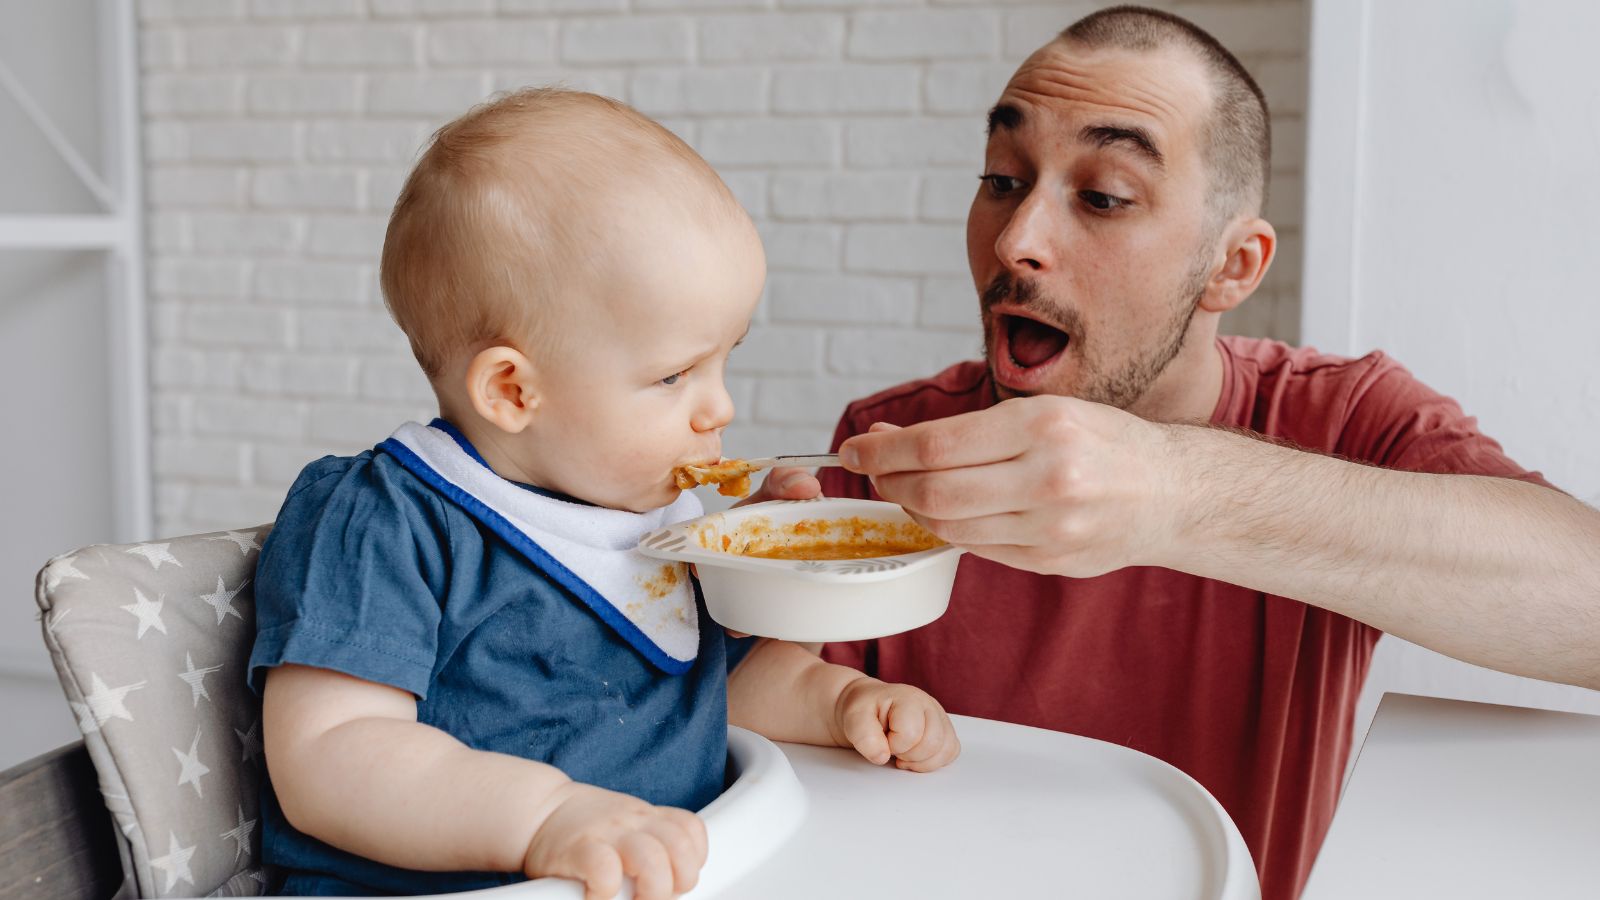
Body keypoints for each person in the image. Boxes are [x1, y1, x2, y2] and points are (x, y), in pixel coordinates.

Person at [749, 6, 1600, 900]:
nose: (1015, 242)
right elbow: (775, 734)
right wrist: (737, 604)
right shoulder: (889, 443)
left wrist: (1176, 493)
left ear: (1233, 265)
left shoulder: (1346, 420)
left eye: (1103, 196)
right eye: (1002, 178)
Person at [248, 89, 958, 899]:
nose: (719, 406)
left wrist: (844, 703)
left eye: (726, 359)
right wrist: (547, 818)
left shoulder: (650, 522)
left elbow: (715, 698)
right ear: (514, 392)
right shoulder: (387, 520)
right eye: (673, 374)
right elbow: (334, 755)